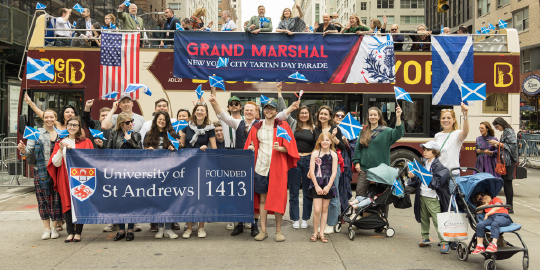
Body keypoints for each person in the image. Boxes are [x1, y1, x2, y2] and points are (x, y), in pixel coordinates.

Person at [208, 93, 295, 235]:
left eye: (251, 110)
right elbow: (223, 115)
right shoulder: (239, 123)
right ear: (243, 111)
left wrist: (290, 108)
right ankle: (240, 223)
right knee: (242, 193)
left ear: (256, 112)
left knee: (257, 195)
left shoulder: (263, 124)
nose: (248, 112)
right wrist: (214, 103)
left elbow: (280, 115)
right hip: (242, 164)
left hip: (259, 164)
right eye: (246, 110)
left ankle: (255, 225)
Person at [245, 101, 300, 242]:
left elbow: (291, 146)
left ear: (276, 111)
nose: (269, 111)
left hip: (277, 168)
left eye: (272, 109)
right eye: (267, 108)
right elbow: (250, 145)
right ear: (263, 111)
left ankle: (278, 231)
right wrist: (251, 149)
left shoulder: (283, 125)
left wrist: (281, 148)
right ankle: (263, 230)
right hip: (261, 167)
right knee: (262, 198)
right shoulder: (256, 127)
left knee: (278, 197)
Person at [352, 106, 404, 221]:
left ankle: (382, 219)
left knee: (382, 195)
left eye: (375, 115)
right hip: (365, 168)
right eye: (371, 115)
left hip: (381, 171)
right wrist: (356, 162)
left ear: (379, 117)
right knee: (360, 193)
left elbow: (398, 133)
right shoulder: (363, 131)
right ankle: (358, 217)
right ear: (368, 117)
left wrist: (398, 117)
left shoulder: (386, 131)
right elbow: (357, 148)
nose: (373, 117)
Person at [47, 116, 94, 243]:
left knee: (80, 202)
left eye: (75, 125)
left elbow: (91, 161)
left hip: (82, 178)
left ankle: (78, 233)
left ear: (79, 128)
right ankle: (70, 232)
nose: (72, 127)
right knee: (67, 203)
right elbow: (55, 163)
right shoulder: (60, 143)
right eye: (70, 125)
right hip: (65, 177)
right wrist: (61, 149)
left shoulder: (86, 142)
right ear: (66, 126)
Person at [18, 109, 62, 240]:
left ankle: (54, 228)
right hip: (41, 171)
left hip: (57, 171)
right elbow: (29, 151)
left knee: (55, 200)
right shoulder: (36, 134)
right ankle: (46, 229)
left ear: (55, 118)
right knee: (42, 200)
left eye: (51, 117)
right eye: (46, 117)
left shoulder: (61, 134)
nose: (49, 119)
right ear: (43, 119)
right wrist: (23, 150)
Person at [276, 84, 314, 230]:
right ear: (298, 114)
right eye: (302, 112)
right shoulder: (292, 123)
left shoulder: (313, 128)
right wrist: (279, 92)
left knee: (307, 192)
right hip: (294, 160)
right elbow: (282, 113)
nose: (304, 115)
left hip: (309, 161)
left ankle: (305, 218)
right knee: (293, 191)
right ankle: (295, 219)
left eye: (306, 113)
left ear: (309, 115)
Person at [179, 103, 217, 238]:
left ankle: (201, 227)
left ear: (206, 114)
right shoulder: (185, 128)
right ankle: (189, 228)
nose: (200, 112)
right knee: (188, 197)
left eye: (203, 110)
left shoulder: (210, 129)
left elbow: (214, 148)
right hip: (188, 166)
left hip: (202, 165)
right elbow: (182, 146)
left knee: (202, 197)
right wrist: (176, 142)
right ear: (194, 112)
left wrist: (206, 150)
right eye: (198, 110)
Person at [406, 141, 451, 254]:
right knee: (424, 218)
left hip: (433, 197)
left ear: (435, 152)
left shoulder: (441, 167)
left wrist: (421, 174)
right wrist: (412, 177)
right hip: (422, 195)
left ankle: (445, 242)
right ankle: (425, 237)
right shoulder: (425, 164)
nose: (424, 152)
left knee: (437, 220)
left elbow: (436, 183)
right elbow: (417, 181)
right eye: (424, 149)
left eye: (428, 150)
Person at [105, 112, 143, 241]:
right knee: (119, 200)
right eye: (128, 122)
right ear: (121, 124)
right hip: (118, 172)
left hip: (133, 172)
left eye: (132, 121)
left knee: (131, 200)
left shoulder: (136, 135)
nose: (131, 124)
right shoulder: (114, 134)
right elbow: (109, 151)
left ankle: (131, 229)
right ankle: (121, 230)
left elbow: (140, 151)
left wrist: (129, 141)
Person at [143, 111, 180, 239]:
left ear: (167, 121)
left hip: (169, 172)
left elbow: (179, 151)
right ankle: (160, 228)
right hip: (154, 172)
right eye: (160, 119)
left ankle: (169, 229)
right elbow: (143, 152)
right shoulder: (148, 134)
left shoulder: (173, 134)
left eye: (164, 119)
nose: (162, 121)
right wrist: (148, 150)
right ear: (155, 120)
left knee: (168, 200)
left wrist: (173, 149)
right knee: (158, 200)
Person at [313, 106, 346, 234]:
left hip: (332, 164)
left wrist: (334, 138)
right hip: (319, 166)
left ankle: (332, 223)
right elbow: (314, 148)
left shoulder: (335, 129)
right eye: (321, 113)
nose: (323, 116)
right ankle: (322, 222)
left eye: (325, 114)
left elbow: (342, 147)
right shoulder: (316, 130)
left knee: (333, 192)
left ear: (330, 116)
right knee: (321, 193)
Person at [308, 132, 338, 243]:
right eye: (323, 140)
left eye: (327, 140)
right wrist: (316, 186)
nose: (325, 142)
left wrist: (328, 186)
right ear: (319, 142)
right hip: (316, 182)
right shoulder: (315, 153)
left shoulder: (333, 155)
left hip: (328, 183)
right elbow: (311, 170)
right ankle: (315, 232)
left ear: (331, 142)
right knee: (317, 209)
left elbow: (334, 172)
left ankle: (322, 233)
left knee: (325, 209)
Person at [489, 117, 518, 213]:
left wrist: (497, 143)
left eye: (497, 126)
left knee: (508, 183)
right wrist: (497, 144)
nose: (497, 129)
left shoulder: (509, 131)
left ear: (501, 124)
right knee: (506, 183)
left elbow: (513, 146)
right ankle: (508, 206)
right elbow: (506, 145)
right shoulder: (506, 131)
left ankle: (510, 207)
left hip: (508, 161)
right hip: (506, 160)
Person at [332, 110, 354, 214]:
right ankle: (333, 214)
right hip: (331, 163)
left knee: (344, 189)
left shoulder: (351, 132)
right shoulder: (330, 129)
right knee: (332, 188)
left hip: (345, 163)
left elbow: (353, 150)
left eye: (342, 116)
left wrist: (346, 143)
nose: (340, 117)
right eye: (337, 115)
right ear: (333, 117)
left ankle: (344, 213)